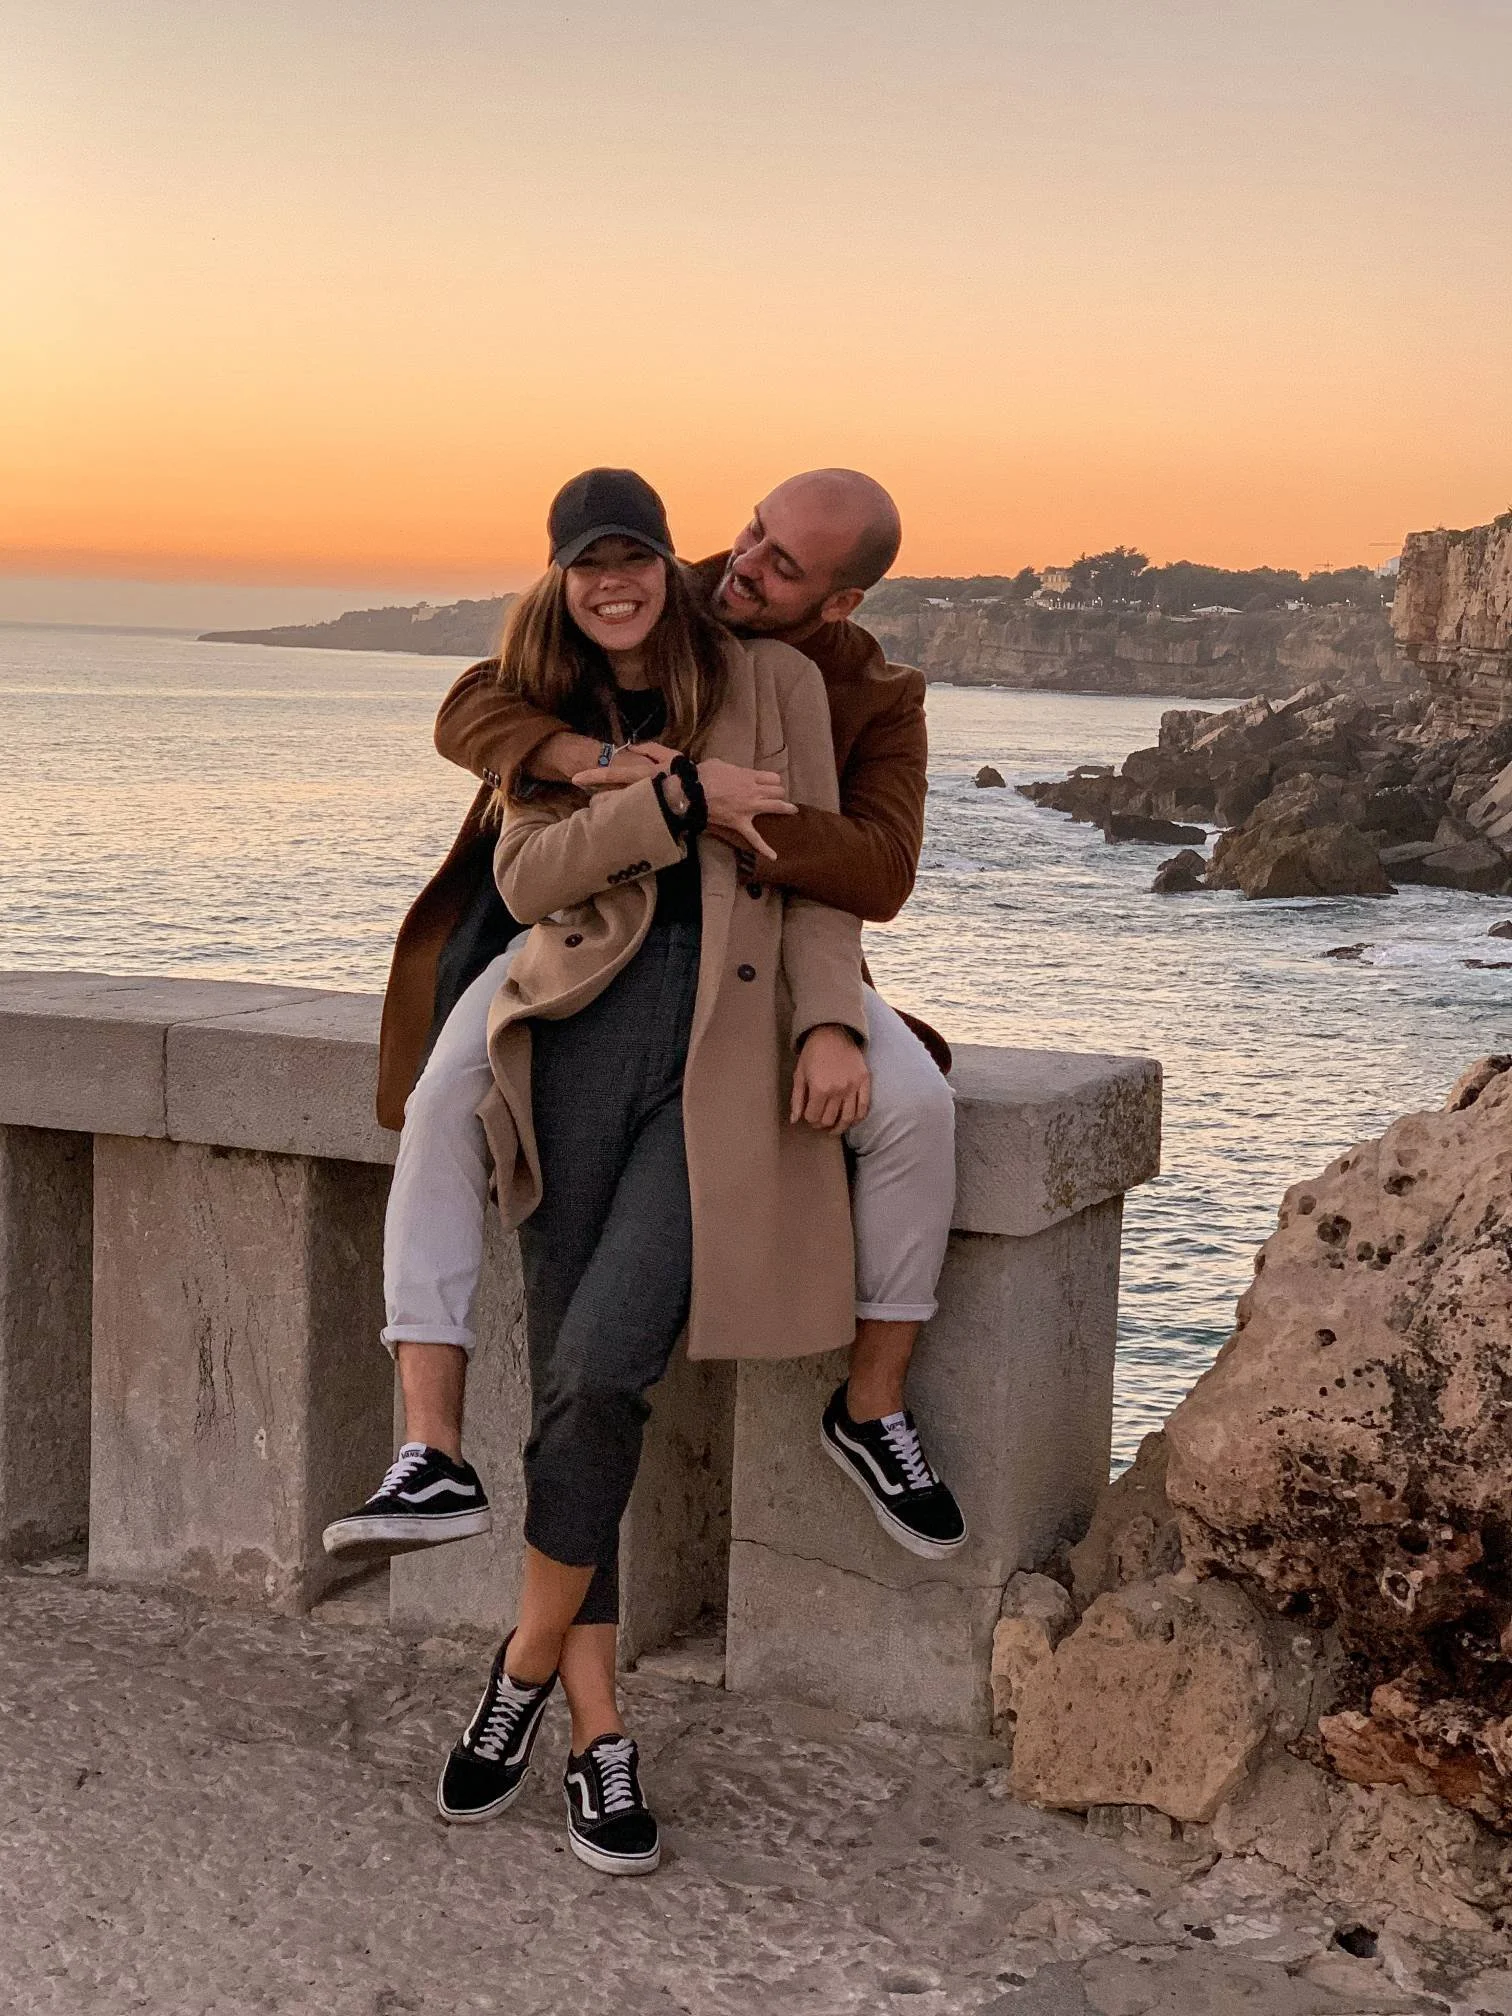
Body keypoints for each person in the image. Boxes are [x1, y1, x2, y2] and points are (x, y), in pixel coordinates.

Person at [324, 467, 965, 1571]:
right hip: (583, 938)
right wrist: (610, 766)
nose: (746, 567)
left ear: (841, 601)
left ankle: (871, 1406)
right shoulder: (656, 590)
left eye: (782, 565)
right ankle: (430, 1446)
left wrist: (739, 815)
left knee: (913, 1112)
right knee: (440, 1109)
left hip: (767, 943)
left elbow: (878, 870)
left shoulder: (867, 689)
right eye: (752, 533)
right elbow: (477, 705)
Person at [417, 468, 868, 1873]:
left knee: (607, 1364)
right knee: (570, 1381)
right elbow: (532, 883)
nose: (612, 584)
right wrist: (671, 797)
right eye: (585, 564)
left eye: (634, 559)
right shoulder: (546, 715)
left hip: (719, 1056)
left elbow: (812, 879)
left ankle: (525, 1664)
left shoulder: (772, 681)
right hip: (573, 1046)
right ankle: (601, 1741)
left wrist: (837, 1016)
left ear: (671, 565)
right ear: (559, 579)